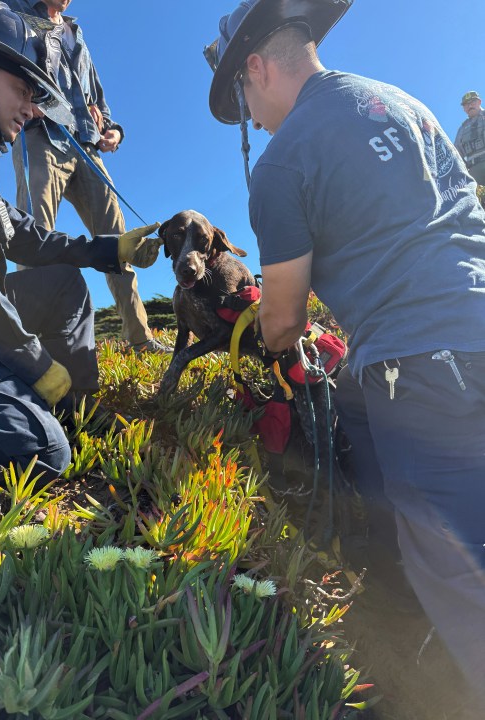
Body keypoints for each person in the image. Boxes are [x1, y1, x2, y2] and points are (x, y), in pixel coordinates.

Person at [206, 0, 485, 710]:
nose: (252, 118)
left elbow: (282, 320)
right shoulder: (403, 104)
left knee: (463, 573)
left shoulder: (281, 163)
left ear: (257, 68)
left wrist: (275, 334)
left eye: (243, 99)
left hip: (424, 371)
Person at [0, 1, 163, 478]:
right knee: (44, 453)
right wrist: (35, 362)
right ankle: (40, 422)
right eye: (22, 90)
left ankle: (74, 413)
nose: (31, 107)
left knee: (62, 282)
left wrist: (109, 248)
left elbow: (23, 235)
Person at [0, 0, 170, 354]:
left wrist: (113, 130)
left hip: (86, 147)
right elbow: (0, 63)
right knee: (34, 240)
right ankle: (32, 346)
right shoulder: (11, 13)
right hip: (40, 137)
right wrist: (26, 100)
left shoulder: (76, 32)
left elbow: (97, 96)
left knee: (119, 242)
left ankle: (140, 339)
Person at [454, 90, 485, 185]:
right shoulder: (462, 129)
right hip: (474, 172)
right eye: (466, 104)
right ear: (464, 108)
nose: (470, 106)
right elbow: (456, 153)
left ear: (479, 102)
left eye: (472, 102)